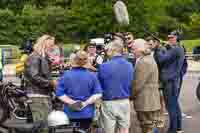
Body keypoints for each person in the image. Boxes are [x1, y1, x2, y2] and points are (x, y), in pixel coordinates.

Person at [56, 50, 102, 131]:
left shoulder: (66, 75)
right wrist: (84, 103)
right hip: (87, 112)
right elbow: (98, 94)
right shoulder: (92, 76)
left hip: (70, 112)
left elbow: (59, 94)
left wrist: (73, 102)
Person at [98, 39, 134, 133]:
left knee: (108, 130)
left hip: (109, 102)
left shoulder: (103, 66)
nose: (106, 52)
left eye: (107, 50)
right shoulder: (129, 65)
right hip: (124, 101)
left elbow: (100, 85)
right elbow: (131, 82)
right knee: (124, 130)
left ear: (112, 50)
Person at [24, 35, 57, 132]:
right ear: (44, 44)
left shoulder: (41, 57)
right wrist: (51, 83)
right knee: (42, 127)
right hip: (37, 95)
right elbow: (34, 77)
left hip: (42, 94)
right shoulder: (34, 57)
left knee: (45, 125)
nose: (53, 47)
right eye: (51, 45)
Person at [154, 32, 185, 133]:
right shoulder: (178, 48)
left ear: (177, 39)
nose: (169, 39)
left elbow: (162, 60)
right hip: (173, 80)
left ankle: (173, 129)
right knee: (175, 105)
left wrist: (158, 48)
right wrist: (167, 47)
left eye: (172, 37)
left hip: (170, 81)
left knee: (171, 106)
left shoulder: (176, 49)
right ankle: (178, 127)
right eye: (169, 37)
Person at [131, 39, 161, 133]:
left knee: (147, 126)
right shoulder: (149, 59)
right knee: (151, 125)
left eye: (133, 49)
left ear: (140, 49)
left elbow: (137, 84)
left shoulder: (143, 62)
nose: (132, 51)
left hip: (145, 102)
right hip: (151, 100)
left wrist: (130, 96)